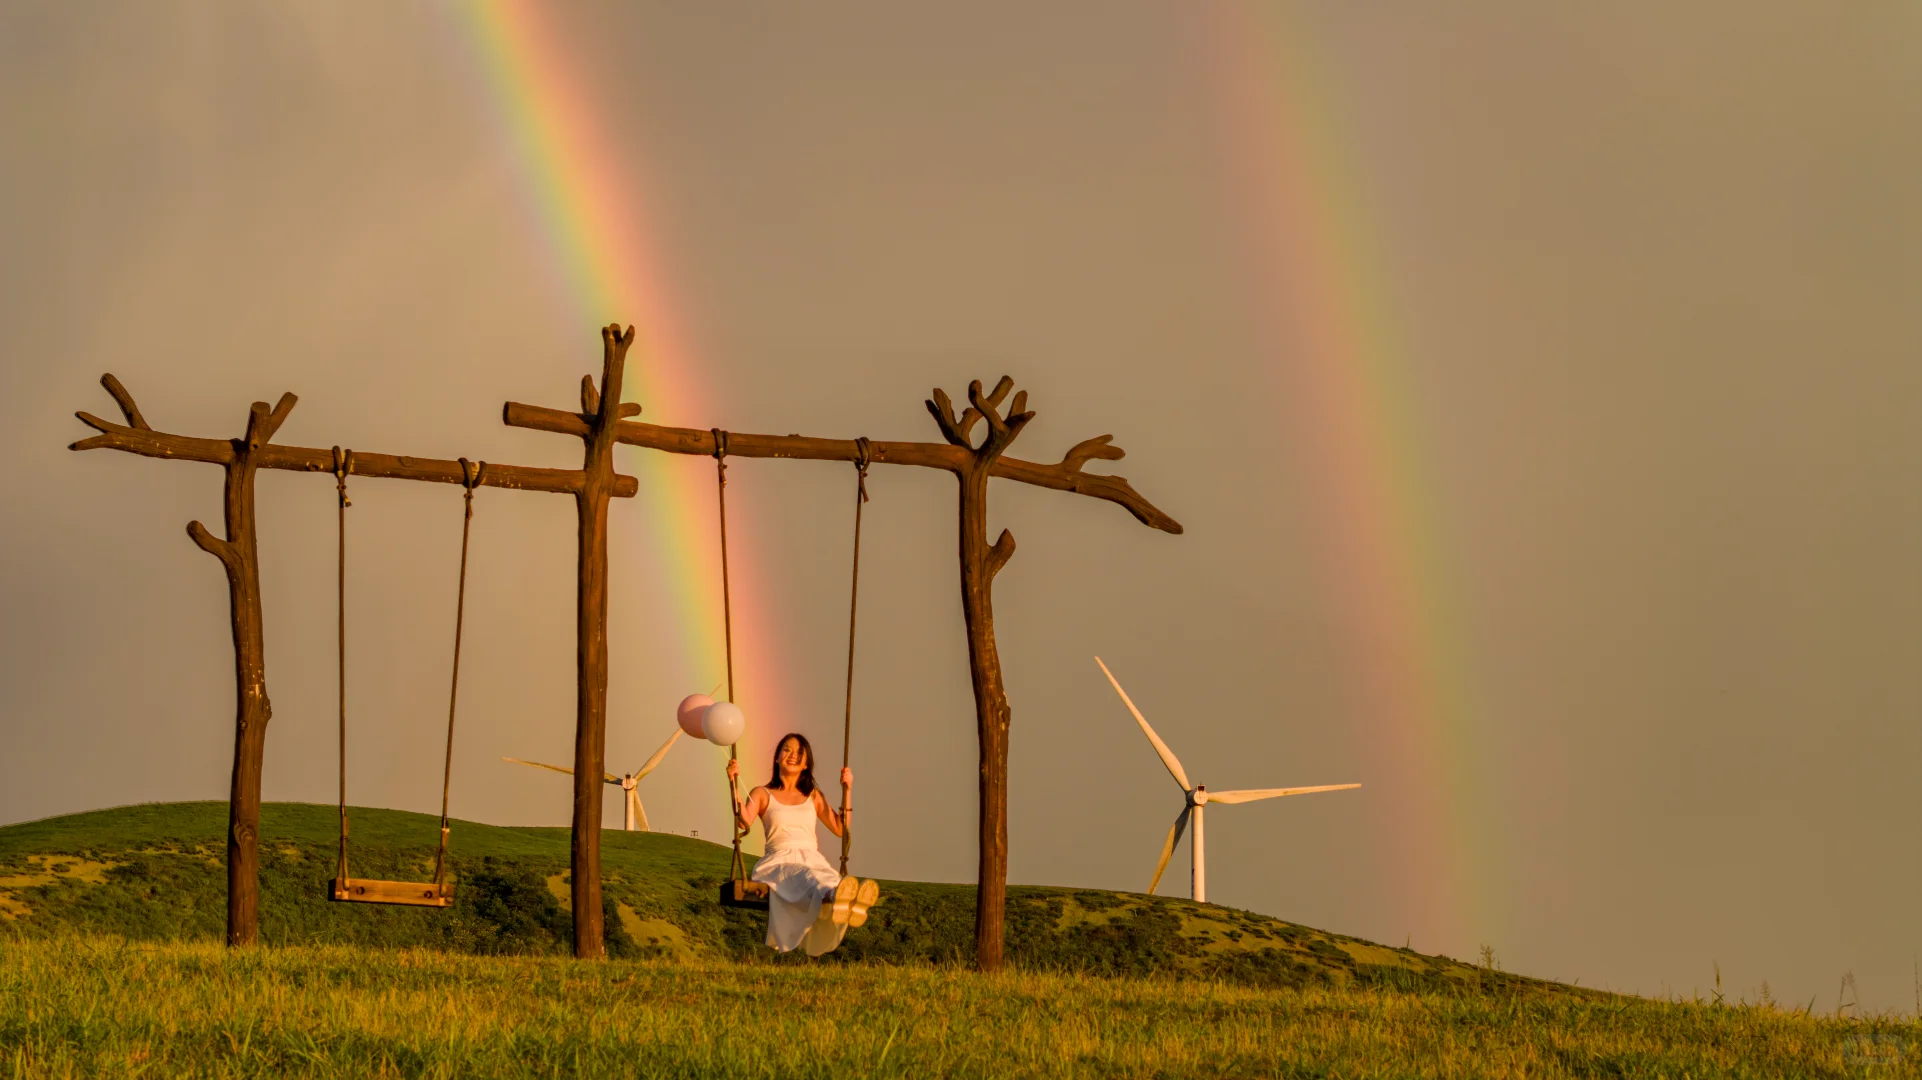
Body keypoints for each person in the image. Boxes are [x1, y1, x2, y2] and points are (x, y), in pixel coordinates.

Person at [728, 732, 879, 955]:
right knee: (807, 877)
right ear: (777, 757)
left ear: (806, 764)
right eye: (786, 750)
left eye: (799, 753)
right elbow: (743, 822)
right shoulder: (762, 793)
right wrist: (733, 782)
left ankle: (843, 898)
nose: (792, 755)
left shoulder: (813, 796)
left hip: (812, 858)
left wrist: (847, 790)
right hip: (778, 861)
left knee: (824, 876)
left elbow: (840, 829)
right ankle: (838, 897)